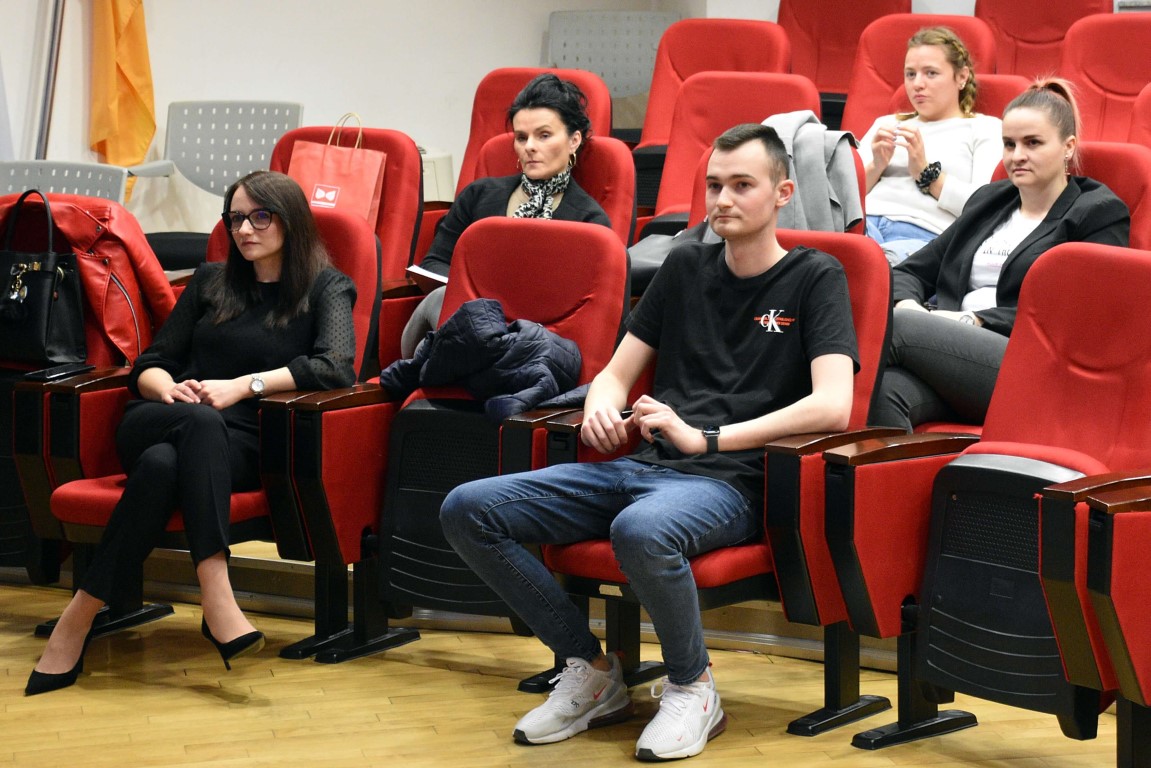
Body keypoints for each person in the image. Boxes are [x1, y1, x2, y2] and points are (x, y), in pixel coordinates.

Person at [439, 124, 859, 761]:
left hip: (732, 482)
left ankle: (693, 687)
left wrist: (706, 439)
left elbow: (833, 404)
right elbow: (615, 374)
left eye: (742, 185)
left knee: (641, 529)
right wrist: (600, 411)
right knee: (468, 508)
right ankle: (589, 669)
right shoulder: (685, 265)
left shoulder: (815, 276)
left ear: (782, 193)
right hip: (643, 466)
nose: (723, 199)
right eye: (714, 184)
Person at [25, 170, 358, 696]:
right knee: (192, 424)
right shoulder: (210, 281)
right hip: (163, 417)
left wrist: (242, 387)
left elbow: (336, 366)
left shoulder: (326, 287)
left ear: (291, 221)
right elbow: (151, 363)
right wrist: (168, 388)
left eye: (260, 217)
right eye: (235, 218)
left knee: (161, 468)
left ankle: (78, 617)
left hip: (243, 442)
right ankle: (216, 592)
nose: (244, 229)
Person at [871, 79, 1130, 431]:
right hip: (955, 355)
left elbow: (1082, 312)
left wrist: (973, 321)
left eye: (1033, 143)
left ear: (1068, 147)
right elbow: (910, 272)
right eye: (1009, 144)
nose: (1017, 155)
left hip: (1037, 366)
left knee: (894, 329)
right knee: (885, 391)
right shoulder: (990, 201)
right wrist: (908, 305)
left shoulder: (1097, 212)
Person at [401, 73, 611, 357]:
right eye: (521, 137)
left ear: (574, 140)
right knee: (439, 301)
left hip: (534, 341)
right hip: (464, 323)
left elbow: (580, 309)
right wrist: (478, 298)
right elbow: (435, 263)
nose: (529, 146)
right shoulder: (478, 195)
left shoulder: (589, 221)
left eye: (544, 135)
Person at [859, 26, 1003, 266]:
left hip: (925, 235)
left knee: (874, 266)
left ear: (962, 77)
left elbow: (984, 208)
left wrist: (926, 174)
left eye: (931, 73)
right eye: (910, 74)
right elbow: (843, 199)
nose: (917, 84)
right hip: (866, 224)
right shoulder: (885, 124)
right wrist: (877, 165)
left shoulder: (985, 128)